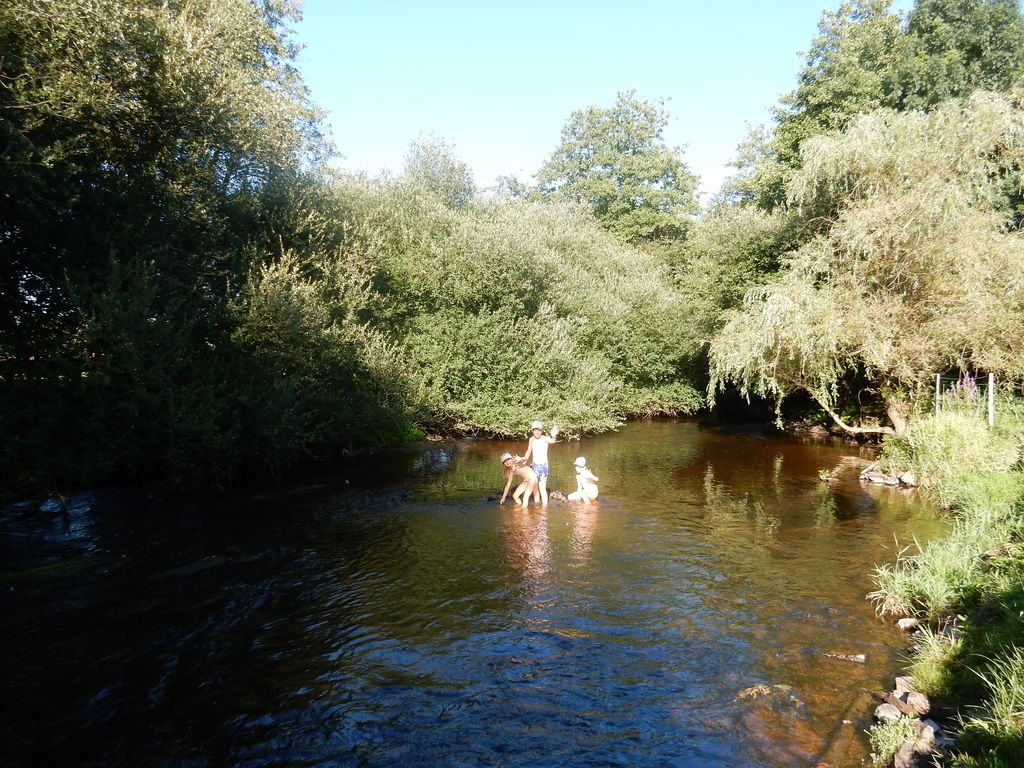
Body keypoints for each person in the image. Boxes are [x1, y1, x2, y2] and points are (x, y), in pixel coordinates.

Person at [522, 420, 559, 505]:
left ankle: (544, 510)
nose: (537, 432)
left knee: (542, 488)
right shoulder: (531, 439)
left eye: (539, 430)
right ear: (532, 431)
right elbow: (528, 452)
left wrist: (554, 435)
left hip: (543, 467)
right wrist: (523, 460)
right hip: (534, 466)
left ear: (542, 430)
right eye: (535, 430)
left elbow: (553, 441)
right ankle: (537, 504)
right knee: (534, 487)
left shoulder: (545, 438)